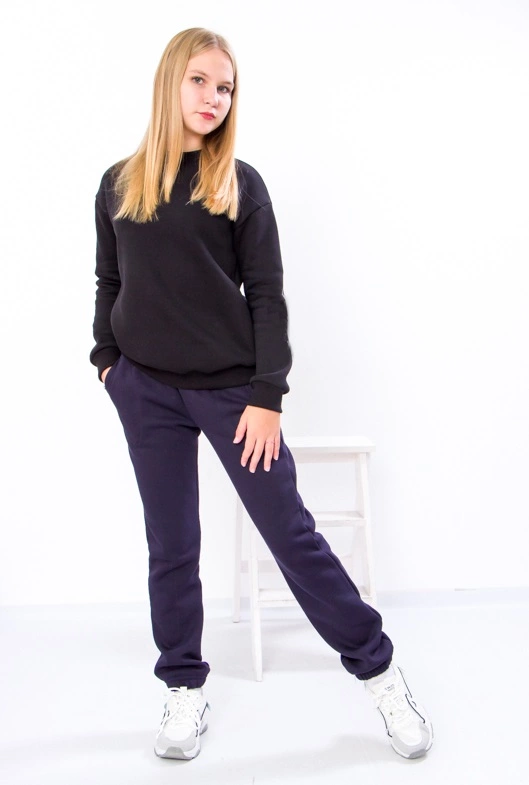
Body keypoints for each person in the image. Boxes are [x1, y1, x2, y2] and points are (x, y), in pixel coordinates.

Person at [90, 27, 434, 762]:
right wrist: (107, 361)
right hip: (145, 389)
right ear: (170, 81)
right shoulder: (118, 183)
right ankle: (183, 687)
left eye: (226, 87)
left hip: (234, 396)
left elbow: (267, 296)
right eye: (200, 81)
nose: (214, 97)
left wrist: (268, 396)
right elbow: (109, 280)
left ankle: (380, 673)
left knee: (291, 537)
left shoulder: (239, 184)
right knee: (171, 545)